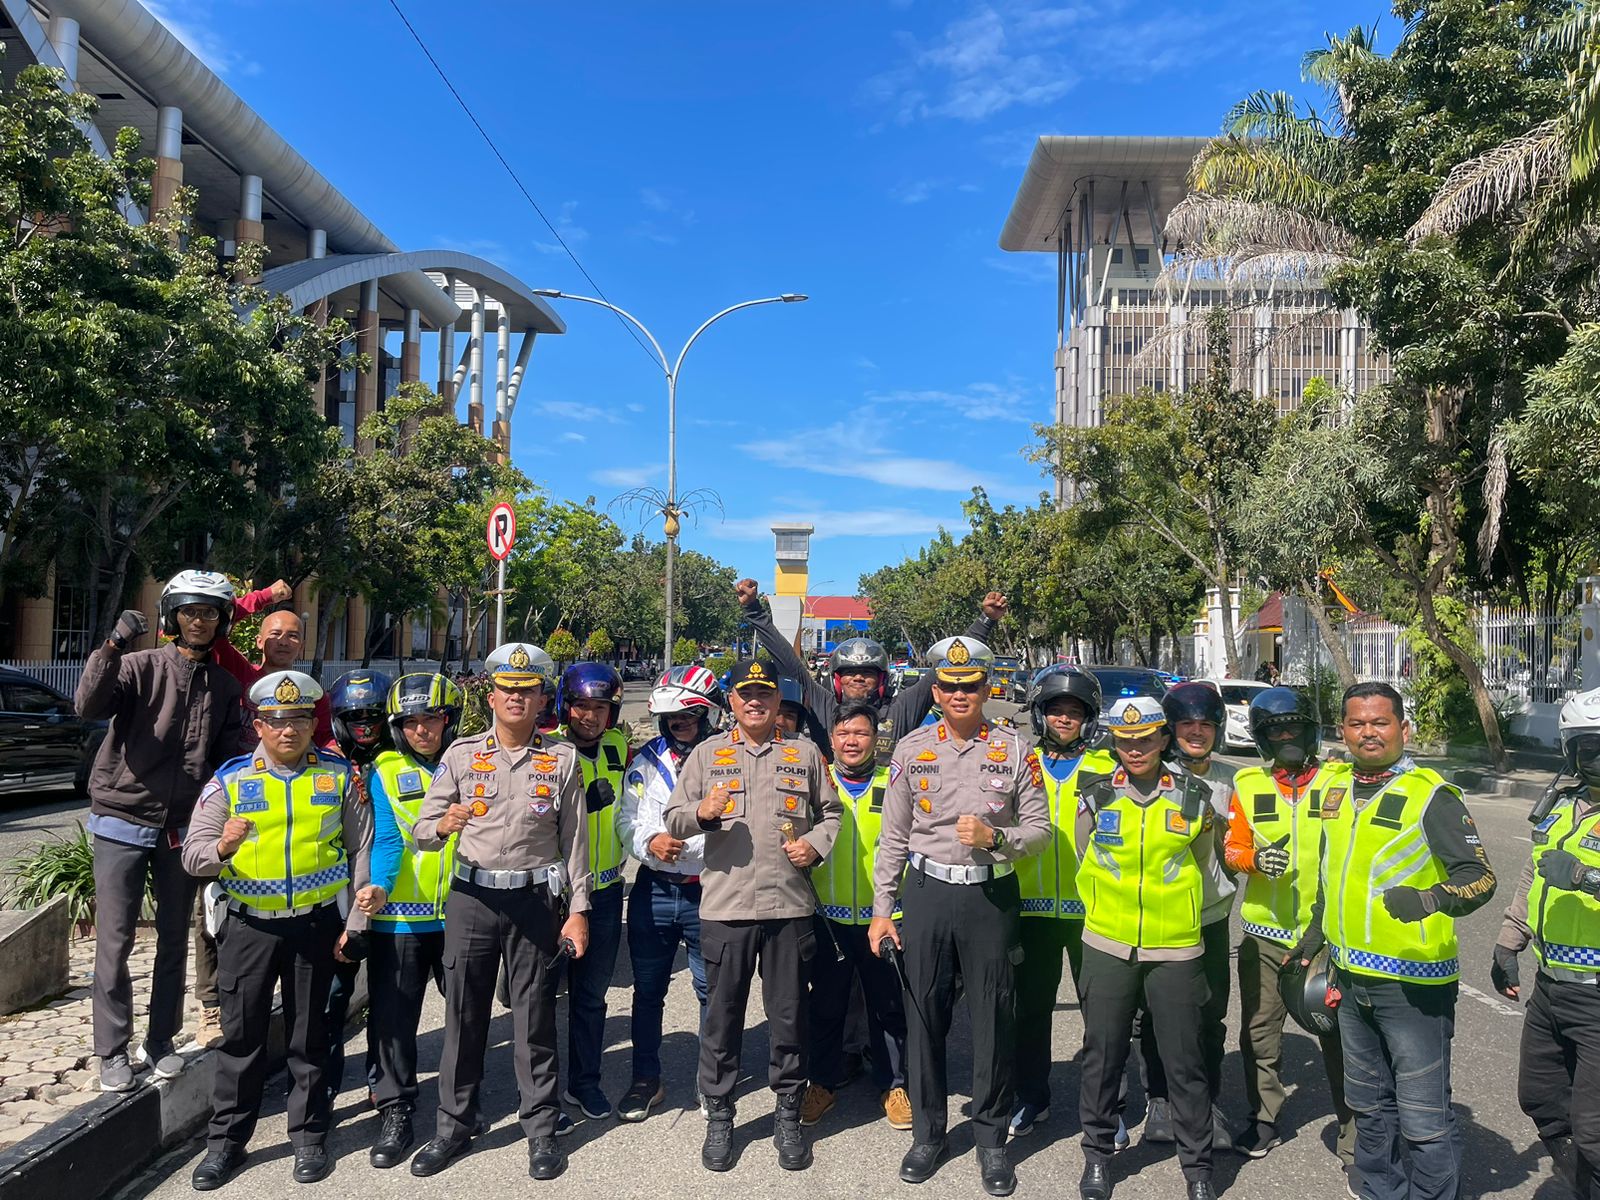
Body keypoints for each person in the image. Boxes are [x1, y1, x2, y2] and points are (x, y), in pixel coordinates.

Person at [869, 636, 1049, 1197]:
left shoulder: (1016, 750)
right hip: (925, 893)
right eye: (948, 686)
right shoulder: (910, 749)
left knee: (994, 1015)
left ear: (987, 687)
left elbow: (1041, 830)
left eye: (970, 685)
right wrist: (882, 910)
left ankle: (992, 1138)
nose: (959, 694)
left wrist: (997, 837)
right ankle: (929, 1132)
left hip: (989, 899)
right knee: (924, 1014)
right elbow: (893, 837)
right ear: (936, 691)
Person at [1303, 682, 1495, 1200]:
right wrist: (1315, 933)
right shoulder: (1337, 788)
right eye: (1357, 723)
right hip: (1351, 978)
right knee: (1368, 1106)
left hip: (1413, 988)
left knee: (1423, 1119)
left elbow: (1480, 877)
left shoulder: (1432, 795)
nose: (1368, 732)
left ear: (1402, 729)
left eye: (1380, 722)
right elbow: (1333, 873)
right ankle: (1380, 1190)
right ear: (1342, 731)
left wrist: (1431, 899)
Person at [181, 670, 372, 1189]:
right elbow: (194, 855)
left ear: (313, 723)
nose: (289, 730)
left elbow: (362, 852)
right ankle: (226, 1145)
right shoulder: (231, 780)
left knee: (309, 1038)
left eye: (300, 720)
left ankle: (309, 1137)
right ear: (259, 725)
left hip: (315, 926)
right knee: (240, 1041)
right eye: (277, 721)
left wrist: (355, 922)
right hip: (248, 930)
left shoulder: (336, 776)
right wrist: (223, 847)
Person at [408, 642, 589, 1182]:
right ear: (491, 695)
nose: (516, 698)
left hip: (534, 900)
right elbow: (422, 829)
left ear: (540, 699)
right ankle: (455, 1125)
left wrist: (577, 910)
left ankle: (540, 1128)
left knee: (535, 1017)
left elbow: (574, 842)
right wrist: (442, 827)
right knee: (463, 1015)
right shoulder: (462, 755)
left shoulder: (561, 760)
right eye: (507, 689)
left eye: (527, 690)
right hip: (472, 899)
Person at [664, 658, 842, 1173]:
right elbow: (673, 816)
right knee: (722, 1020)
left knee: (788, 1018)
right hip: (727, 908)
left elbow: (832, 812)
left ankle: (787, 1114)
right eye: (746, 694)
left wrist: (814, 843)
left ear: (775, 698)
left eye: (764, 693)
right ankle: (720, 1116)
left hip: (788, 908)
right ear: (733, 701)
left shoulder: (804, 753)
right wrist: (702, 814)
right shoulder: (707, 754)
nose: (756, 702)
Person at [76, 570, 243, 1093]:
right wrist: (112, 644)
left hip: (181, 828)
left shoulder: (225, 685)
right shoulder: (137, 665)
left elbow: (229, 760)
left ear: (222, 621)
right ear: (173, 616)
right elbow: (88, 705)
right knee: (116, 939)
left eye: (210, 612)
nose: (200, 620)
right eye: (191, 611)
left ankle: (161, 1040)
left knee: (173, 938)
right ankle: (111, 1050)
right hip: (121, 819)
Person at [1073, 696, 1219, 1200]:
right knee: (1102, 1055)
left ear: (1163, 740)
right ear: (1114, 742)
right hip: (1108, 944)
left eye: (1146, 739)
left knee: (1184, 1061)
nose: (1135, 749)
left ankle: (1197, 1168)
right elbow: (1082, 852)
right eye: (1125, 741)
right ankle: (1097, 1155)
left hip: (1175, 947)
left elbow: (1201, 861)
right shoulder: (1094, 795)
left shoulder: (1194, 797)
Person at [194, 580, 332, 1051]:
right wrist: (266, 598)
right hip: (236, 805)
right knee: (214, 907)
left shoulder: (313, 694)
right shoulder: (239, 671)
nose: (282, 640)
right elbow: (214, 622)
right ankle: (211, 1007)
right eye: (274, 632)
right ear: (258, 637)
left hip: (294, 814)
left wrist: (347, 774)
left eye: (292, 634)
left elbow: (327, 740)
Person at [1223, 687, 1354, 1171]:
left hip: (1329, 938)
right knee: (1259, 1032)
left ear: (1311, 730)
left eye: (1294, 728)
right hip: (1264, 932)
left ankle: (1354, 1135)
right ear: (1262, 739)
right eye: (1275, 731)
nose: (1286, 737)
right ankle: (1264, 1117)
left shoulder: (1341, 780)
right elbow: (1231, 850)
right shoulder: (1247, 784)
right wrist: (1255, 859)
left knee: (1338, 1036)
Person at [1493, 685, 1600, 1199]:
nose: (1599, 757)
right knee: (1541, 1099)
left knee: (1596, 1127)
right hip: (1552, 985)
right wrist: (1507, 943)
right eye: (1589, 746)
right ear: (1570, 749)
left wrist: (1586, 877)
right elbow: (1531, 879)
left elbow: (1570, 877)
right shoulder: (1561, 807)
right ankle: (1578, 1182)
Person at [356, 672, 465, 1169]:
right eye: (411, 722)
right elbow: (386, 839)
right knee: (393, 1023)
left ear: (450, 720)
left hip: (464, 913)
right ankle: (395, 1108)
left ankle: (461, 1109)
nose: (423, 730)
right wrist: (377, 886)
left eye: (433, 719)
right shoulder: (383, 769)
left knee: (467, 1018)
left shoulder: (470, 761)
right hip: (400, 919)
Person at [614, 665, 726, 1122]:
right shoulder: (645, 760)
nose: (679, 725)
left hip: (711, 891)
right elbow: (628, 819)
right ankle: (646, 1079)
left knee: (710, 990)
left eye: (687, 717)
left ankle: (711, 1084)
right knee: (648, 990)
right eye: (672, 718)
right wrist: (648, 843)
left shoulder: (727, 758)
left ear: (707, 714)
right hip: (655, 889)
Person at [1008, 665, 1116, 1139]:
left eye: (1075, 712)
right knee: (1029, 1010)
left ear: (1089, 719)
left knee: (1104, 1016)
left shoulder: (1106, 768)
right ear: (1040, 715)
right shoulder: (1017, 761)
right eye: (1055, 710)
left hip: (1092, 910)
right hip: (1030, 908)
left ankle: (1108, 1107)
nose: (1064, 719)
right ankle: (1032, 1097)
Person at [734, 578, 1006, 759]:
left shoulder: (900, 710)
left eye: (868, 673)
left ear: (882, 680)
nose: (858, 679)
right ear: (837, 679)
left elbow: (948, 663)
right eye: (850, 673)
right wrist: (754, 611)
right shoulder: (825, 706)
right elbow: (790, 666)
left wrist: (985, 621)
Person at [800, 701, 912, 1131]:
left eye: (861, 734)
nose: (852, 741)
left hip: (884, 918)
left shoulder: (894, 782)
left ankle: (893, 1084)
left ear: (875, 740)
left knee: (888, 1006)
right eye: (844, 734)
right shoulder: (819, 783)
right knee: (826, 1005)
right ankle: (822, 1082)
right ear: (831, 739)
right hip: (828, 919)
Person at [1138, 682, 1237, 1150]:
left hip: (1213, 916)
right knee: (1157, 1014)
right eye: (1186, 725)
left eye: (1205, 725)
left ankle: (1205, 1102)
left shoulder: (1235, 780)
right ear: (1170, 730)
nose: (1196, 733)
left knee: (1210, 1013)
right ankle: (1159, 1101)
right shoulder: (1151, 777)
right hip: (1163, 918)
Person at [553, 662, 630, 1123]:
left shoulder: (621, 746)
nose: (590, 715)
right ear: (566, 706)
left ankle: (584, 1082)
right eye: (581, 705)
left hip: (605, 891)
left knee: (591, 996)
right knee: (541, 997)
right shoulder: (549, 751)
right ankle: (540, 1094)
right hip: (554, 895)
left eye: (600, 707)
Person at [321, 669, 392, 1108]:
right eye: (354, 716)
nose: (364, 724)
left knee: (387, 1000)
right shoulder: (323, 764)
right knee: (331, 999)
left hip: (391, 898)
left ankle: (381, 1082)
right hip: (336, 903)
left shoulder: (403, 761)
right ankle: (322, 1086)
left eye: (373, 715)